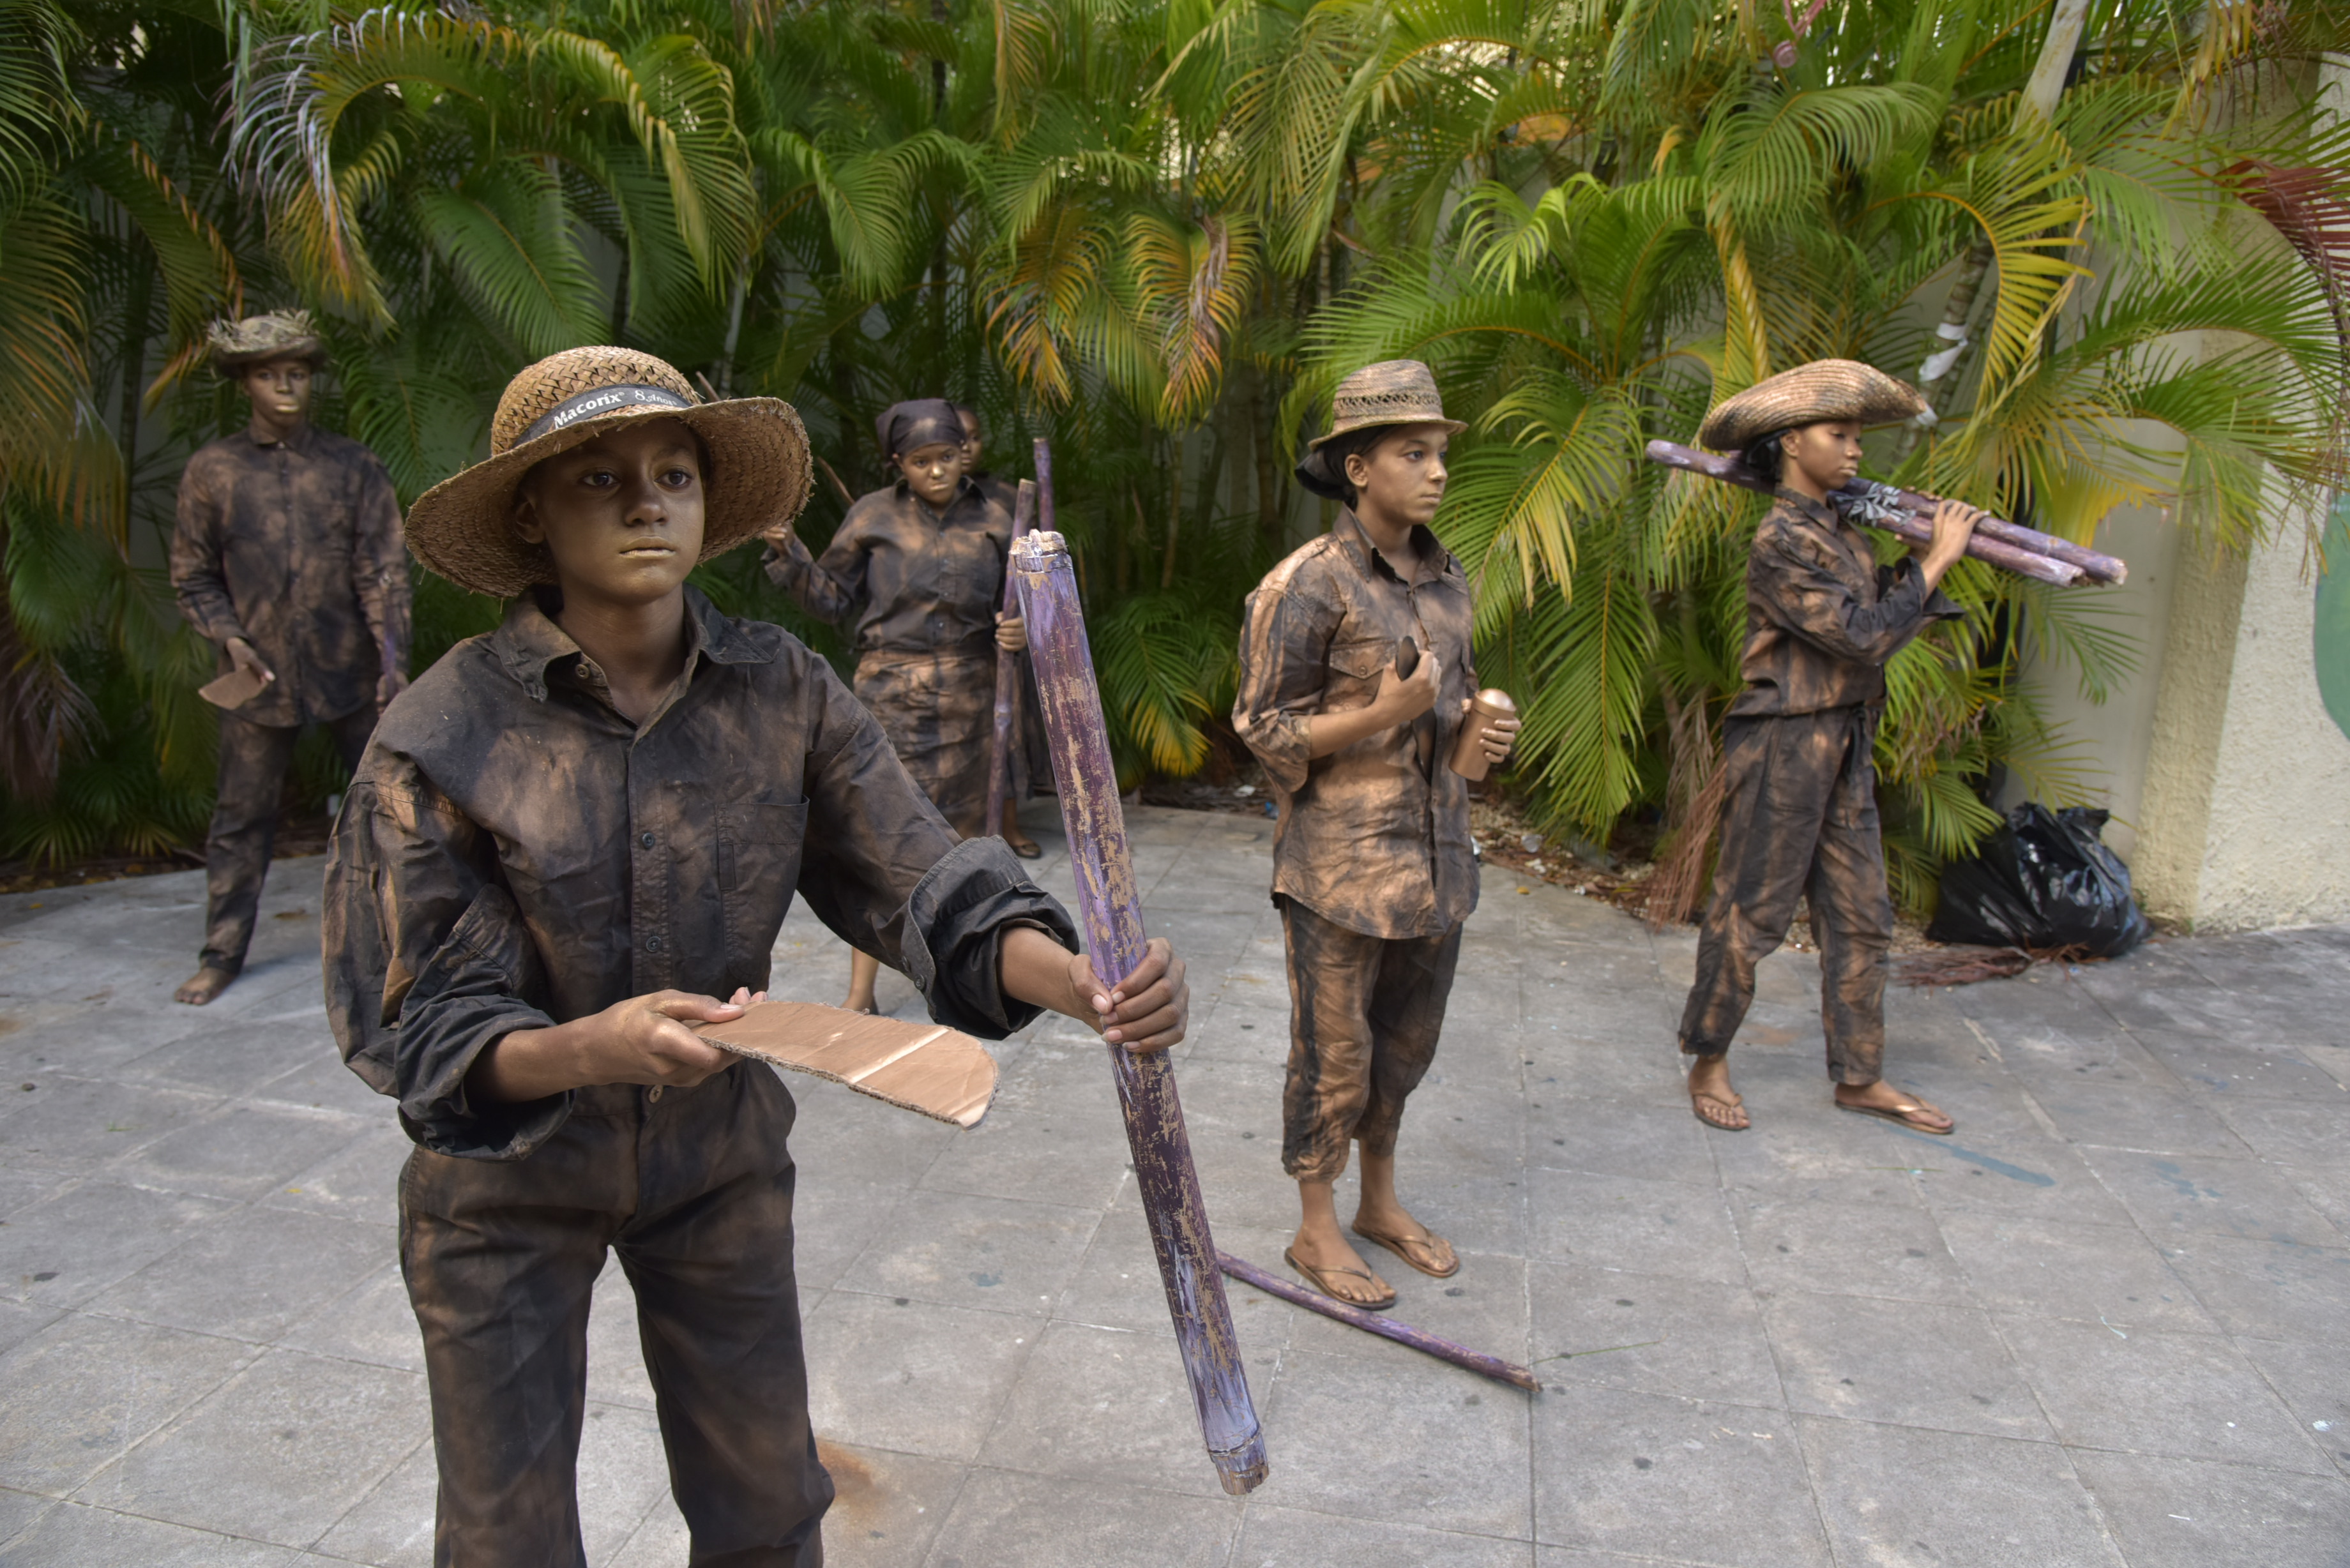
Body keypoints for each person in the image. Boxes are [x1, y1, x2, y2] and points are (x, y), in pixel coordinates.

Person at [322, 347, 1188, 1566]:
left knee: (769, 1512)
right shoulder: (444, 732)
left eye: (673, 472)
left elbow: (917, 873)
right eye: (599, 479)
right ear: (530, 513)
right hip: (504, 1193)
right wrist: (594, 1046)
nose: (645, 502)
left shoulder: (783, 692)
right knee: (505, 1539)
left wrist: (1086, 981)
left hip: (713, 1165)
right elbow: (415, 1027)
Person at [1232, 359, 1520, 1311]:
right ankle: (1316, 1228)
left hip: (1436, 864)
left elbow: (1451, 714)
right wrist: (1379, 713)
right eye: (1413, 452)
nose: (1437, 471)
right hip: (1339, 871)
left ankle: (1380, 1204)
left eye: (1440, 453)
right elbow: (1262, 729)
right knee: (1334, 1055)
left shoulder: (1450, 579)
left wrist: (1484, 729)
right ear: (1358, 469)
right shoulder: (1307, 585)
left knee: (1404, 1052)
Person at [1676, 359, 1981, 1135]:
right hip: (1783, 745)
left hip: (1843, 742)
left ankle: (1859, 1075)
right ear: (1787, 443)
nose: (1852, 451)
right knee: (1752, 914)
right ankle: (1707, 1057)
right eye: (1835, 435)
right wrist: (1933, 560)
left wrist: (1917, 566)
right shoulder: (1781, 540)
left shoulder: (1841, 532)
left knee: (1862, 916)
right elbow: (1859, 635)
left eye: (1855, 437)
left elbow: (1878, 617)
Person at [170, 310, 410, 1006]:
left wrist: (393, 667)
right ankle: (221, 953)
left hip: (350, 672)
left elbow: (383, 571)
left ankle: (406, 950)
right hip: (257, 680)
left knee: (390, 815)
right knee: (241, 818)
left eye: (298, 374)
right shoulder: (213, 471)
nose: (286, 387)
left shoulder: (352, 466)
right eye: (271, 375)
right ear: (245, 382)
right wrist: (230, 637)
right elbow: (192, 574)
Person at [762, 398, 1033, 1013]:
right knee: (879, 839)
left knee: (960, 845)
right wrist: (788, 552)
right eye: (920, 461)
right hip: (891, 694)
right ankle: (861, 995)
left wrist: (1021, 629)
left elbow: (1022, 605)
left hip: (970, 696)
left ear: (964, 454)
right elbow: (831, 601)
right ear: (897, 464)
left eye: (946, 457)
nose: (936, 471)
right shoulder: (871, 516)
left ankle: (964, 976)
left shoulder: (998, 518)